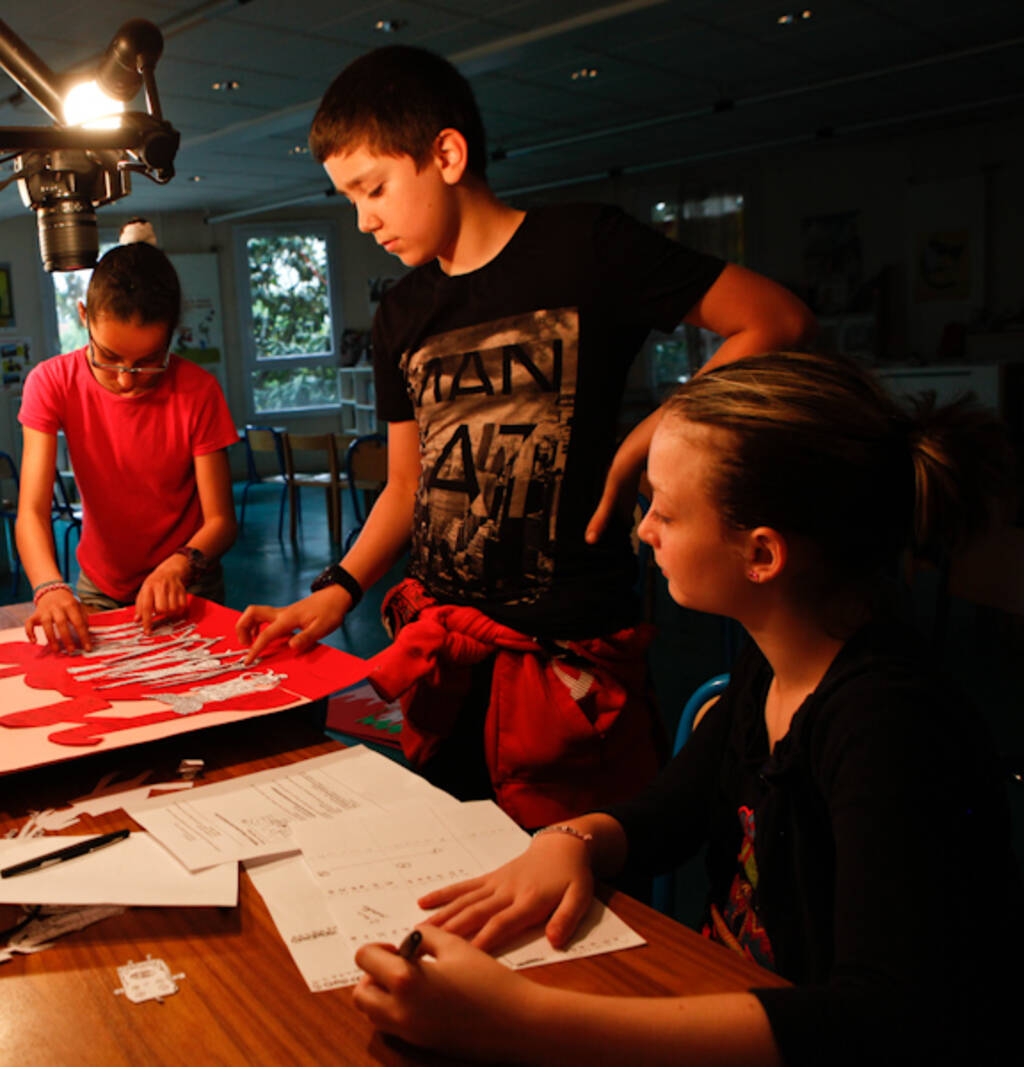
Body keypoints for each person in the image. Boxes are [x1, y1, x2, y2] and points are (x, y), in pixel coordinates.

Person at [350, 351, 1021, 1064]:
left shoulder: (889, 728)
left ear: (761, 555)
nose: (644, 530)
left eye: (666, 511)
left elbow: (878, 1021)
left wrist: (518, 1019)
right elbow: (674, 808)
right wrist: (571, 841)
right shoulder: (776, 663)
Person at [237, 45, 815, 824]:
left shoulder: (586, 248)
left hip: (569, 666)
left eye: (373, 188)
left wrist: (651, 435)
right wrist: (338, 589)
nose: (364, 219)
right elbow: (407, 484)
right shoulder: (401, 314)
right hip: (448, 665)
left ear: (446, 155)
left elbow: (774, 320)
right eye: (349, 198)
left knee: (582, 876)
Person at [17, 242, 238, 649]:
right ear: (83, 316)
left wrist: (180, 563)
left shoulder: (199, 391)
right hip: (102, 586)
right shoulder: (51, 383)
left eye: (149, 362)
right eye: (109, 357)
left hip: (186, 584)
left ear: (172, 332)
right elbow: (32, 510)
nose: (125, 379)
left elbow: (221, 521)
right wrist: (48, 586)